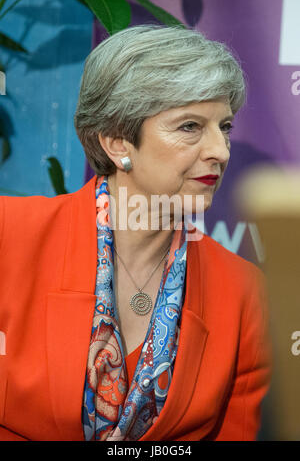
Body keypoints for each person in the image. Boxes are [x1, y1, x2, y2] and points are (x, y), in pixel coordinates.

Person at [0, 24, 271, 441]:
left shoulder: (243, 291)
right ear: (116, 141)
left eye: (225, 127)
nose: (219, 150)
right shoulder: (10, 237)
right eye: (190, 127)